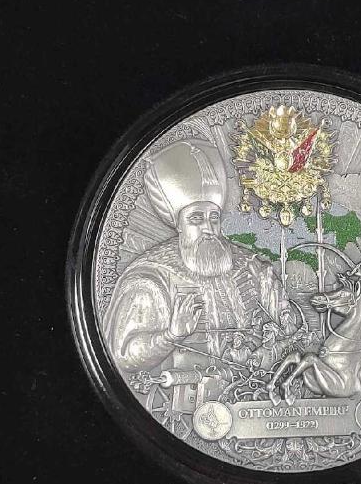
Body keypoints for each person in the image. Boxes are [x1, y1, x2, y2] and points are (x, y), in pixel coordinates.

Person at [102, 140, 287, 376]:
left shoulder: (250, 266)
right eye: (196, 219)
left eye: (214, 218)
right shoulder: (150, 279)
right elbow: (123, 356)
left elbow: (285, 321)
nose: (208, 228)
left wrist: (282, 314)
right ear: (178, 225)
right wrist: (171, 335)